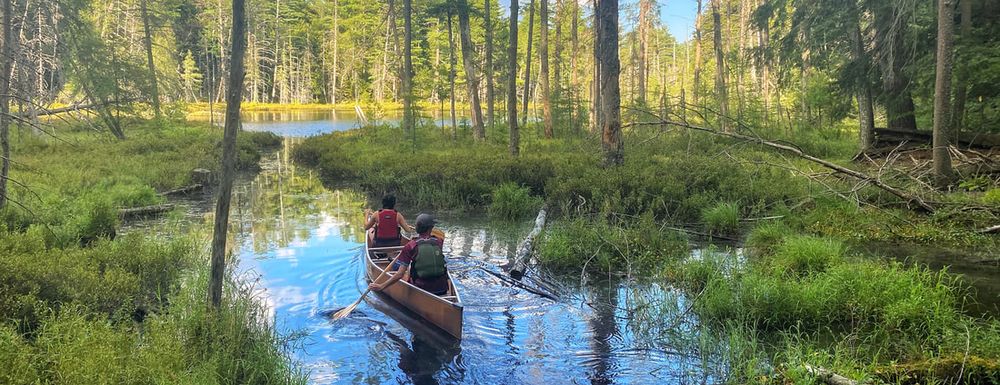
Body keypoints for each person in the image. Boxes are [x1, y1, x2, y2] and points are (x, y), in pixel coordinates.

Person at [369, 213, 449, 296]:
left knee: (398, 266)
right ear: (430, 228)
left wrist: (381, 286)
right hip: (442, 288)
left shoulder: (410, 245)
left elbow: (400, 274)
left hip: (421, 289)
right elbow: (429, 244)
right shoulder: (439, 242)